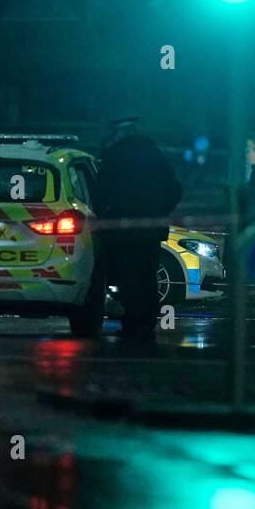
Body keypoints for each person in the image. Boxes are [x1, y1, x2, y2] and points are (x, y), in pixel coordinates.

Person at [95, 116, 183, 342]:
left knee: (127, 278)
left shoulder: (113, 157)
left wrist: (110, 212)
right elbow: (174, 189)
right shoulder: (156, 156)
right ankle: (146, 325)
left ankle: (132, 324)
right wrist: (158, 211)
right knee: (147, 277)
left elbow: (100, 192)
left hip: (122, 231)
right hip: (150, 231)